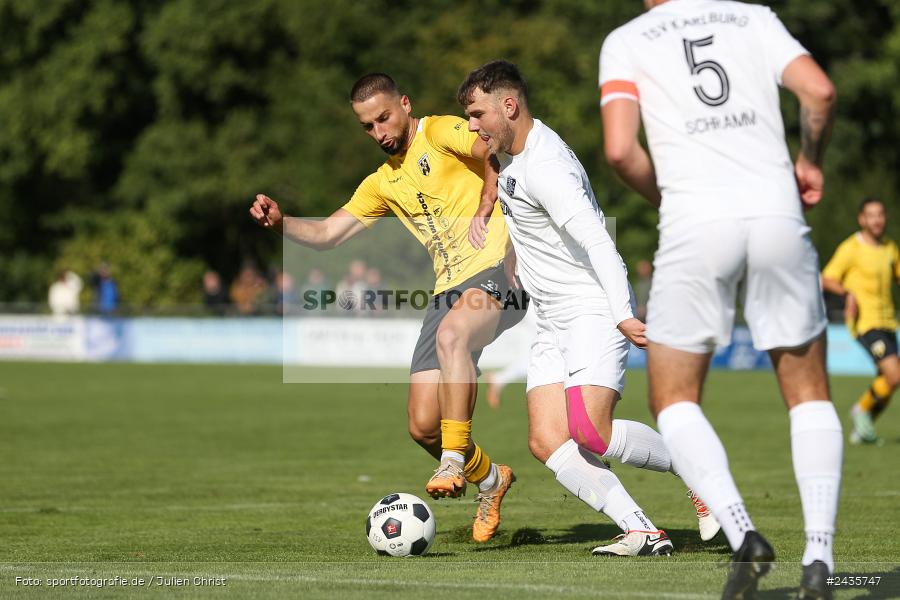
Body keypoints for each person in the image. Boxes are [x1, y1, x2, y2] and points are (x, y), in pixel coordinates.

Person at [600, 1, 839, 597]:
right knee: (808, 393)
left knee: (675, 399)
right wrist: (809, 160)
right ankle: (820, 559)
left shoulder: (625, 40)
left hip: (695, 225)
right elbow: (819, 92)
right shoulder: (752, 17)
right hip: (777, 213)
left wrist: (672, 200)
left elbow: (621, 151)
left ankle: (742, 533)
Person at [249, 73, 527, 542]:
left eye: (383, 117)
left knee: (452, 336)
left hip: (500, 268)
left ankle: (455, 461)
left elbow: (493, 147)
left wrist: (487, 197)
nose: (379, 131)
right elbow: (327, 235)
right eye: (367, 126)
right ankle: (492, 480)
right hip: (448, 289)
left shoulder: (438, 132)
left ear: (404, 103)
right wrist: (282, 224)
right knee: (422, 425)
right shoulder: (381, 183)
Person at [461, 60, 721, 556]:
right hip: (549, 317)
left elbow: (601, 243)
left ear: (509, 106)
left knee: (590, 431)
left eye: (477, 115)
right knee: (547, 439)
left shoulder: (548, 168)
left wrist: (622, 312)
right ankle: (641, 530)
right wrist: (502, 226)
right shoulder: (509, 153)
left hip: (590, 308)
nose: (473, 128)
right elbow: (503, 183)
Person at [822, 197, 900, 445]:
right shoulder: (851, 248)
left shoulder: (890, 247)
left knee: (889, 380)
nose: (877, 220)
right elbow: (827, 277)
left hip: (888, 322)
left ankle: (863, 429)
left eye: (881, 214)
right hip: (865, 323)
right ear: (862, 219)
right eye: (871, 215)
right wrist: (847, 293)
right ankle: (860, 411)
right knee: (895, 375)